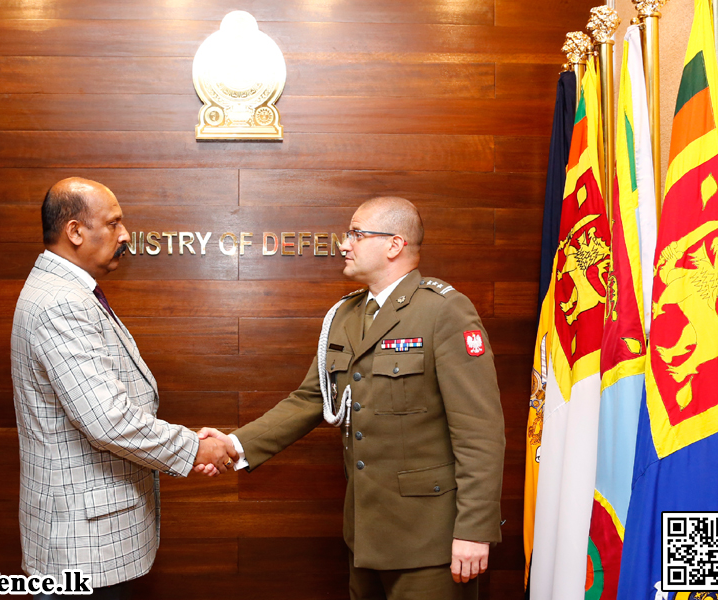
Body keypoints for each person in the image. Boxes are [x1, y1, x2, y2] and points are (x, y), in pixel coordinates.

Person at [198, 197, 505, 600]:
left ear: (394, 245)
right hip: (365, 534)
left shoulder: (443, 311)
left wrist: (474, 530)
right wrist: (232, 445)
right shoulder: (345, 315)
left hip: (431, 539)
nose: (344, 244)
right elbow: (311, 399)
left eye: (356, 234)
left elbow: (479, 431)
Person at [10, 177, 235, 600]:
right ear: (75, 231)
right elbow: (108, 419)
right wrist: (193, 448)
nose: (126, 234)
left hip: (85, 537)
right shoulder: (62, 301)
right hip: (80, 546)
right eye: (113, 223)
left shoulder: (68, 290)